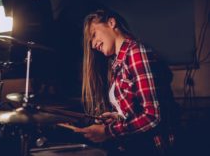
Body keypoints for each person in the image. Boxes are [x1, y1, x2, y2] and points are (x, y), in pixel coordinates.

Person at [75, 8, 179, 156]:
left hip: (152, 148)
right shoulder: (118, 63)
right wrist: (116, 117)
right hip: (135, 146)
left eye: (93, 35)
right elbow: (135, 110)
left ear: (111, 23)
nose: (92, 45)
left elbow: (153, 116)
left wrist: (107, 131)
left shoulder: (136, 53)